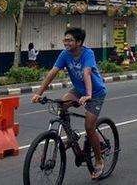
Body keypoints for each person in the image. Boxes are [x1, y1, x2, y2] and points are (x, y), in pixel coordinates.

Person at [32, 27, 107, 180]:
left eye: (70, 40)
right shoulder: (65, 54)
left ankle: (99, 161)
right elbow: (52, 72)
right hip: (78, 89)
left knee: (89, 126)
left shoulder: (88, 54)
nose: (66, 42)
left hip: (96, 92)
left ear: (79, 42)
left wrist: (88, 95)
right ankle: (70, 135)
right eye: (65, 39)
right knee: (61, 105)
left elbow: (86, 73)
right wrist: (38, 94)